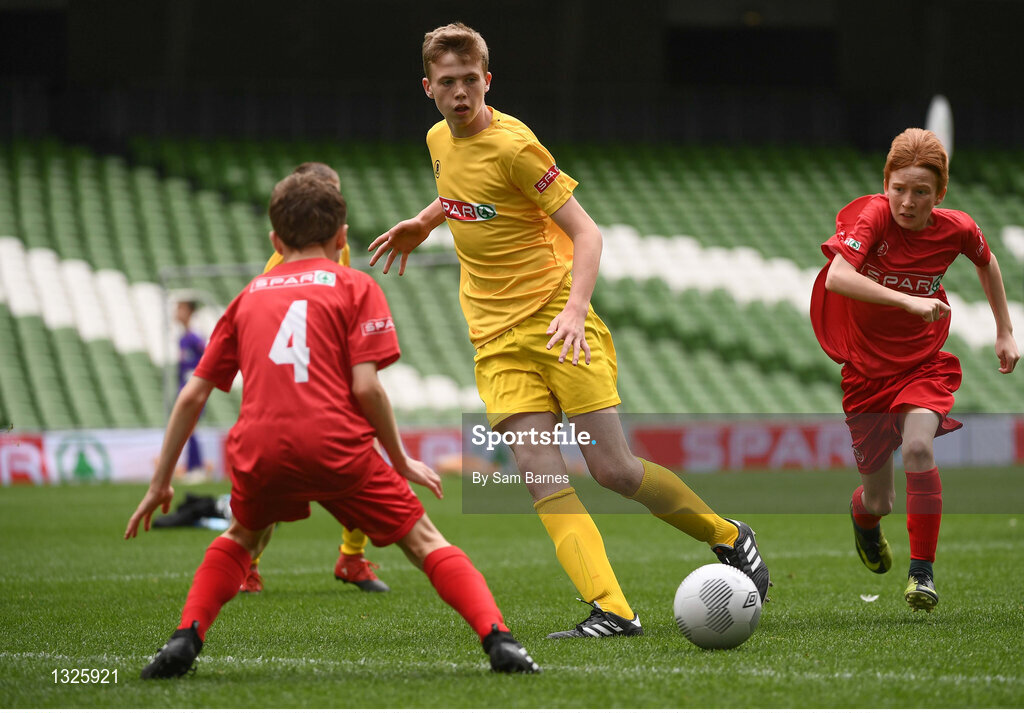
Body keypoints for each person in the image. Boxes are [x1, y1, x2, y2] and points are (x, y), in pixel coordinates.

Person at [369, 22, 770, 638]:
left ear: (487, 81)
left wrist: (576, 308)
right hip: (496, 341)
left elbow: (588, 231)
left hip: (560, 325)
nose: (459, 93)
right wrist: (425, 221)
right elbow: (464, 191)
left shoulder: (516, 145)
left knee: (612, 470)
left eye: (469, 80)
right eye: (446, 83)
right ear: (428, 87)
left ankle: (728, 535)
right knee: (541, 477)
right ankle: (611, 609)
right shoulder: (436, 140)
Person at [125, 172, 539, 678]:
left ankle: (186, 637)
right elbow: (366, 388)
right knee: (426, 541)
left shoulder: (247, 296)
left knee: (241, 538)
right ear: (343, 236)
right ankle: (500, 640)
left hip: (259, 447)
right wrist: (401, 457)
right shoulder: (354, 285)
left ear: (275, 241)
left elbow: (193, 394)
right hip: (334, 445)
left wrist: (160, 480)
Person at [810, 127, 1019, 611]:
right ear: (886, 185)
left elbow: (987, 263)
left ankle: (921, 575)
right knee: (878, 500)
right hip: (865, 375)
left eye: (920, 192)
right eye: (898, 188)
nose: (907, 201)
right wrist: (907, 299)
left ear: (939, 194)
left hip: (924, 363)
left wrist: (1005, 331)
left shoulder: (958, 227)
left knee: (920, 446)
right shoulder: (874, 217)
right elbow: (839, 276)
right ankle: (864, 522)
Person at [242, 161, 389, 595]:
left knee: (365, 463)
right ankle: (247, 564)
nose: (334, 205)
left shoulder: (335, 246)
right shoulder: (280, 265)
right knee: (272, 484)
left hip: (332, 377)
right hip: (294, 383)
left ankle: (351, 558)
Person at [174, 298, 206, 481]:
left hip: (193, 389)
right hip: (183, 389)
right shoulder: (183, 339)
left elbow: (207, 357)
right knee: (186, 430)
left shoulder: (195, 338)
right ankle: (192, 467)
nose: (176, 312)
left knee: (190, 428)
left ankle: (197, 468)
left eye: (180, 308)